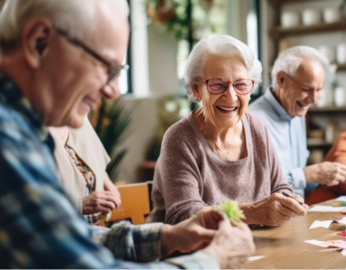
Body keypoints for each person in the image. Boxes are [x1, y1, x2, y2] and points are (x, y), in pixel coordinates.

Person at [0, 0, 254, 268]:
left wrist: (169, 237)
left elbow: (63, 239)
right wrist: (214, 259)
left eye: (119, 71)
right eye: (104, 66)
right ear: (39, 43)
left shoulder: (26, 130)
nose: (114, 91)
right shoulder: (8, 140)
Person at [148, 35, 309, 227]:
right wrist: (253, 213)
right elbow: (184, 215)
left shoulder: (257, 126)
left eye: (241, 84)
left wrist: (287, 202)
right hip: (191, 253)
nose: (231, 96)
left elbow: (279, 186)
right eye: (217, 85)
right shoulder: (180, 138)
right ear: (196, 89)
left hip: (252, 248)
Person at [249, 46, 346, 198]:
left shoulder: (297, 112)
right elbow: (254, 186)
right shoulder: (252, 119)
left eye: (318, 90)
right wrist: (309, 174)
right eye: (306, 88)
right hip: (268, 220)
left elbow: (298, 181)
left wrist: (330, 176)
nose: (314, 99)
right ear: (281, 80)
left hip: (298, 213)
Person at [49, 122, 121, 225]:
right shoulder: (32, 134)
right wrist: (81, 205)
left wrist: (106, 182)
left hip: (90, 228)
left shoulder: (80, 116)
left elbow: (94, 158)